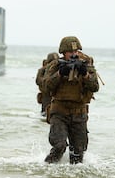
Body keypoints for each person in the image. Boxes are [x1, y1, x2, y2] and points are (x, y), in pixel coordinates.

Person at [42, 36, 99, 164]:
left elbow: (95, 86)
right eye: (70, 52)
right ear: (63, 53)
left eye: (76, 52)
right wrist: (60, 74)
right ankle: (48, 171)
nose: (74, 54)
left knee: (78, 154)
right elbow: (45, 86)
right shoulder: (56, 66)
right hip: (59, 113)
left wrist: (84, 74)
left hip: (79, 114)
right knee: (59, 146)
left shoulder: (86, 65)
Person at [36, 52, 59, 117]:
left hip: (56, 99)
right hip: (46, 97)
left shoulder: (59, 70)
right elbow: (38, 81)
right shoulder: (43, 70)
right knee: (45, 114)